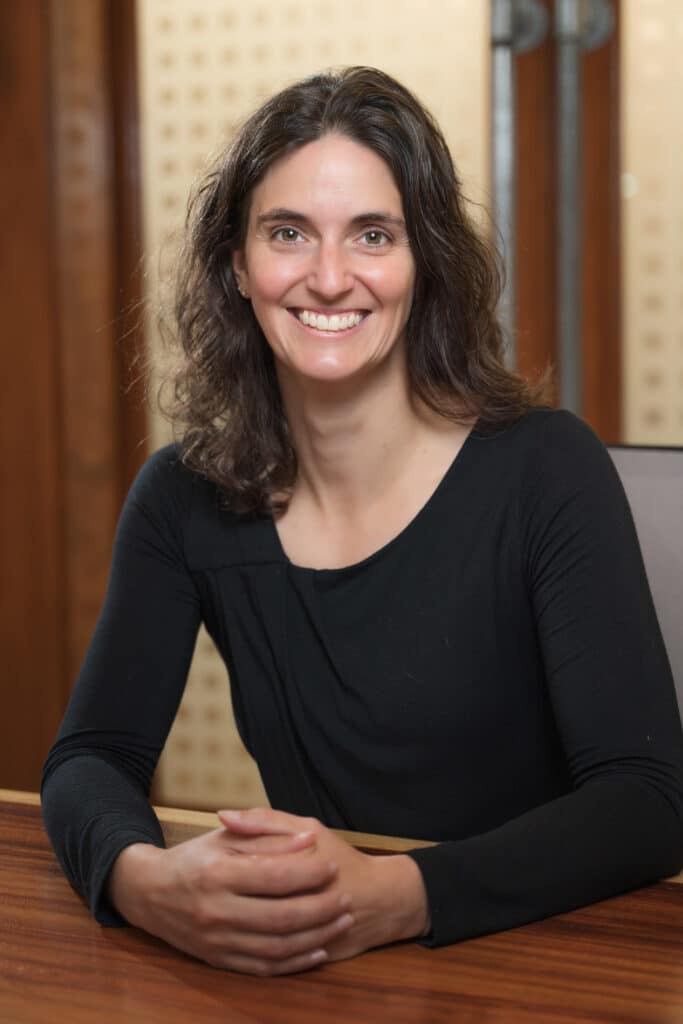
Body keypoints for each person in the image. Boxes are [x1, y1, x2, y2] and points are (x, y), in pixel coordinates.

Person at [42, 66, 683, 977]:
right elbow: (92, 756)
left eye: (372, 235)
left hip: (543, 958)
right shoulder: (183, 496)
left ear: (425, 261)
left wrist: (394, 896)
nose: (329, 278)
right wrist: (145, 884)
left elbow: (649, 801)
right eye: (288, 233)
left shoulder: (545, 468)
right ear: (238, 265)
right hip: (325, 974)